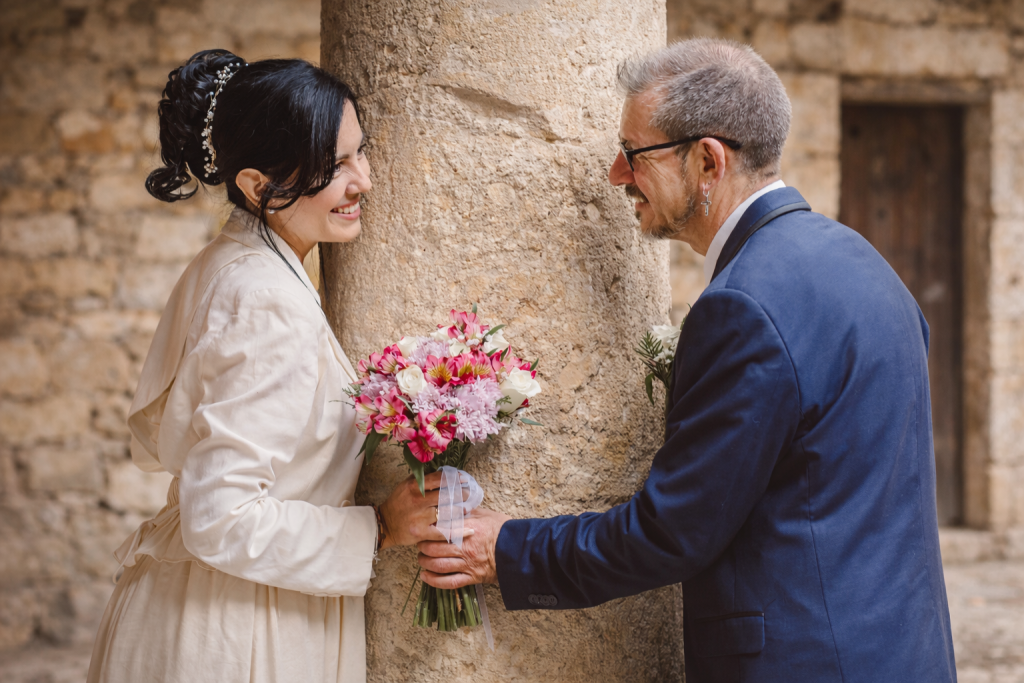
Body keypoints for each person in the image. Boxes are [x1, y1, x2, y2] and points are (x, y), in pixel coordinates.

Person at [417, 38, 957, 682]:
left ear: (707, 160)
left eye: (634, 154)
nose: (618, 175)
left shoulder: (743, 307)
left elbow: (672, 531)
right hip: (905, 655)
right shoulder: (868, 264)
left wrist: (503, 549)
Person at [87, 50, 440, 683]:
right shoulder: (264, 300)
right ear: (256, 186)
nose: (363, 180)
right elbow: (220, 517)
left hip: (218, 605)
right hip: (238, 633)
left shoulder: (233, 262)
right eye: (334, 167)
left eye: (361, 151)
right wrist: (380, 528)